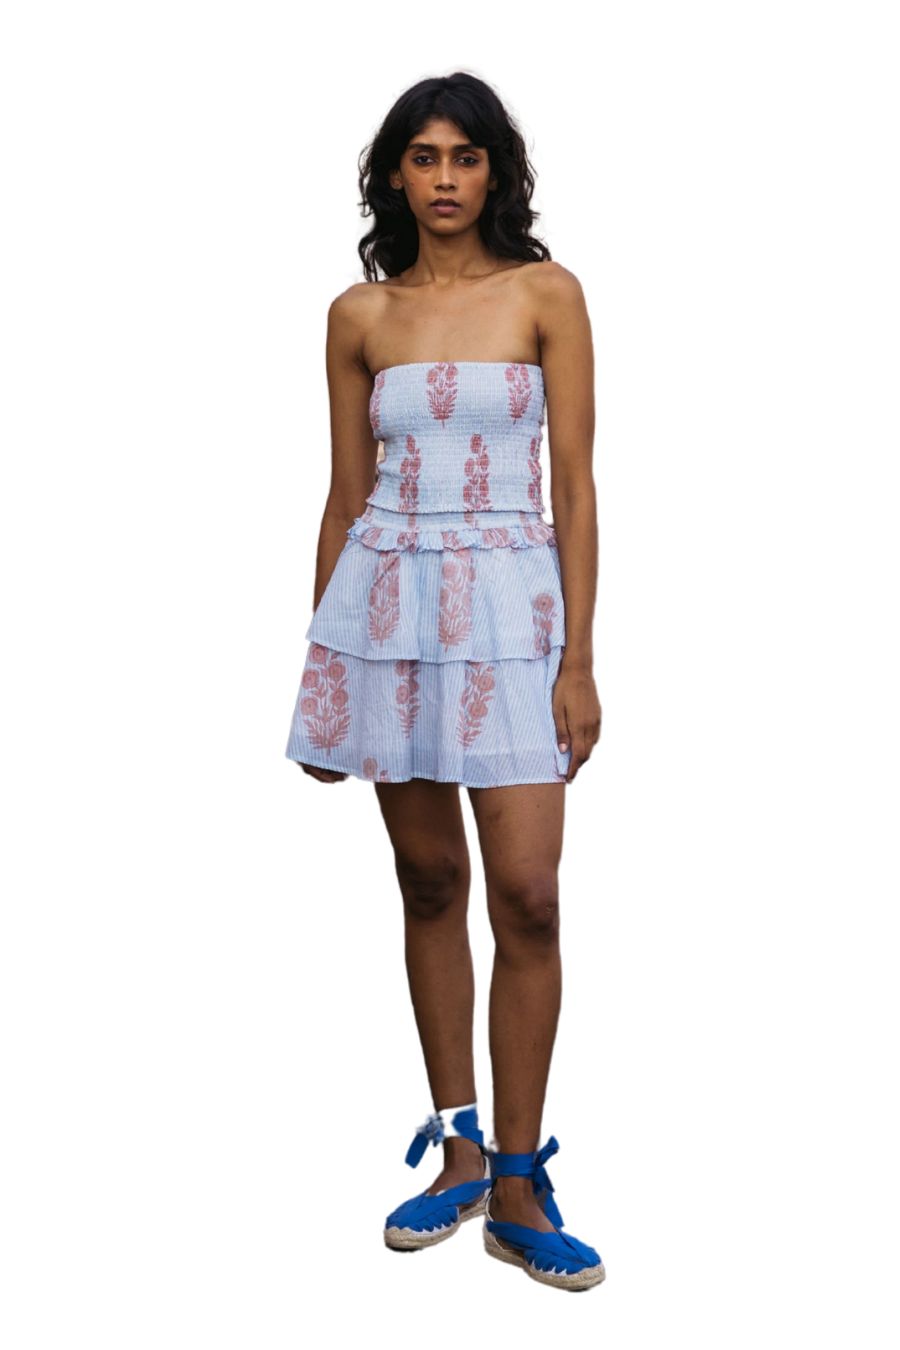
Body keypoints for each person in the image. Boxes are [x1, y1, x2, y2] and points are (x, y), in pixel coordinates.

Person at [284, 72, 604, 1292]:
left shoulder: (547, 295)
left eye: (465, 157)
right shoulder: (357, 315)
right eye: (423, 157)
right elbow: (343, 497)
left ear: (496, 172)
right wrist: (324, 674)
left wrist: (579, 657)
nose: (446, 178)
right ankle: (460, 1151)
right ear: (394, 176)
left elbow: (575, 486)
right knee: (429, 881)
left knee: (528, 894)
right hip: (390, 607)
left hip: (516, 611)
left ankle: (522, 1180)